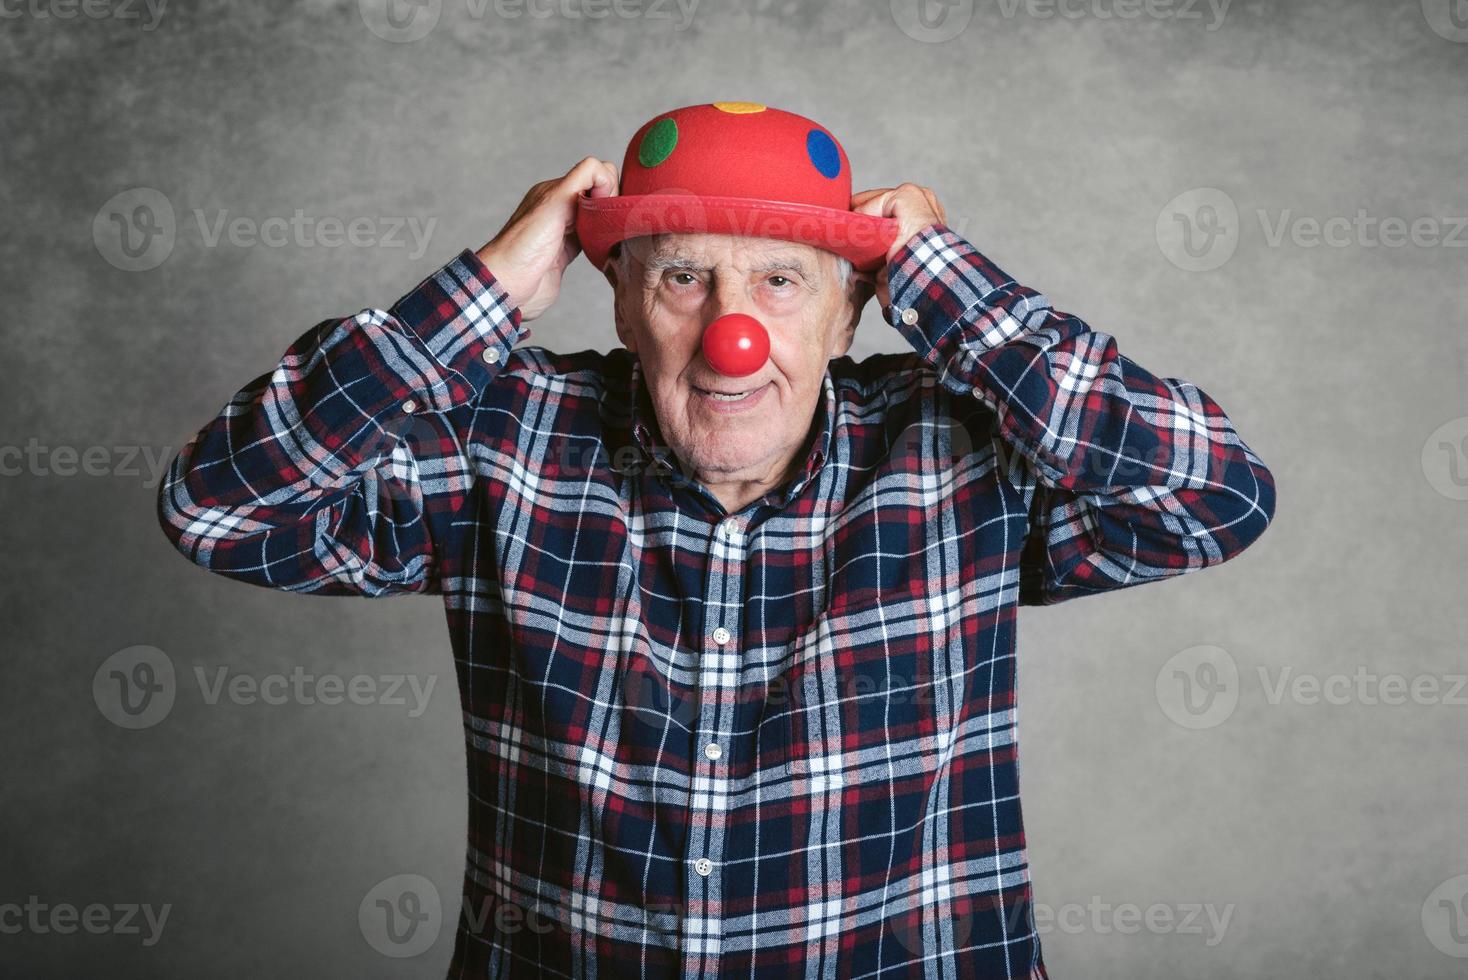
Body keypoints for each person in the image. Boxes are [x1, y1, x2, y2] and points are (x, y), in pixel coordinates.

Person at [158, 102, 1276, 978]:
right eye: (682, 276)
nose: (729, 333)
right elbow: (217, 505)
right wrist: (486, 289)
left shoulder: (961, 451)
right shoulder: (504, 442)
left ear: (852, 314)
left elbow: (1216, 493)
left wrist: (949, 285)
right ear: (619, 304)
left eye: (781, 280)